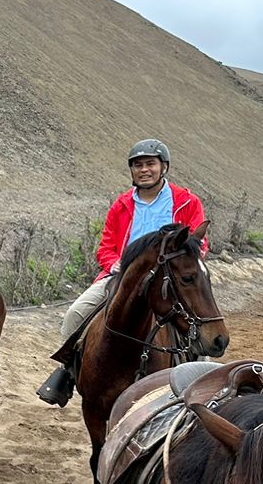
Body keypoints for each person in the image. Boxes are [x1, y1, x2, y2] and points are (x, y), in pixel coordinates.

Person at [36, 138, 209, 406]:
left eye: (150, 163)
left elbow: (198, 242)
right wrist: (113, 263)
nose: (144, 170)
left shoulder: (187, 202)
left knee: (200, 324)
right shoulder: (122, 205)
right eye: (138, 165)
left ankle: (200, 384)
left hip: (170, 279)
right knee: (75, 314)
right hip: (125, 278)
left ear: (163, 167)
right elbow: (105, 247)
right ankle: (67, 373)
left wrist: (185, 264)